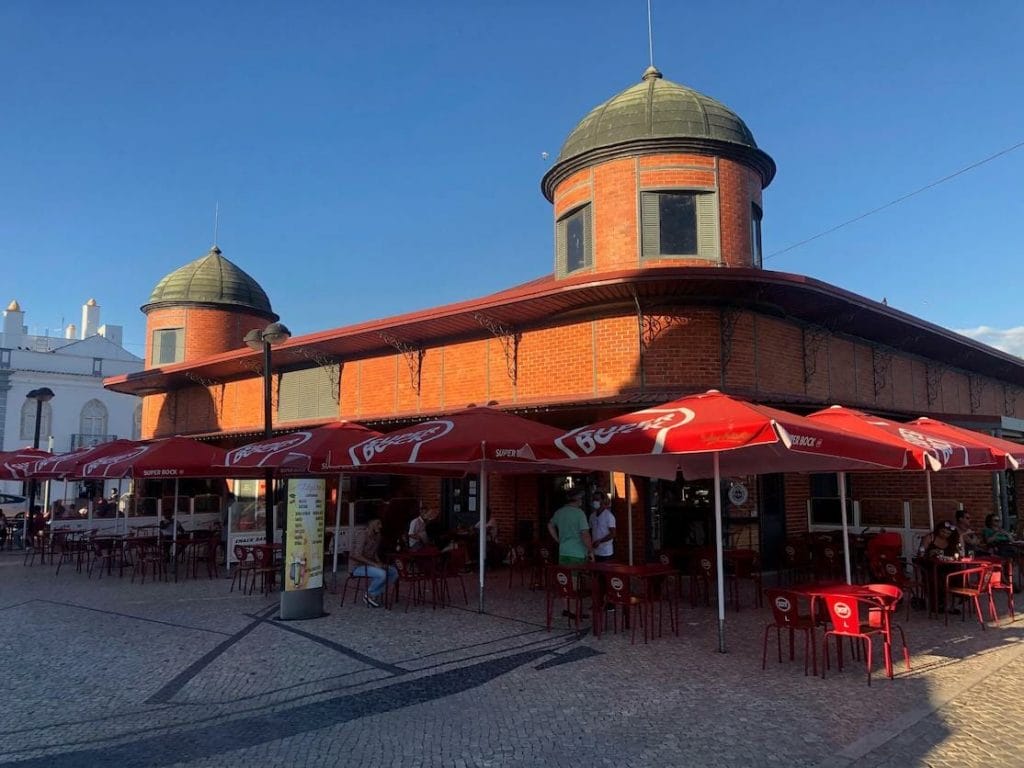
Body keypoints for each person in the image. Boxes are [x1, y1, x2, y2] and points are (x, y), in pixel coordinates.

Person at [350, 516, 398, 607]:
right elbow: (357, 555)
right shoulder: (362, 534)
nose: (380, 526)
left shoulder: (377, 536)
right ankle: (370, 594)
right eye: (378, 524)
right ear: (371, 524)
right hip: (357, 566)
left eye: (380, 524)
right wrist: (374, 564)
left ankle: (373, 593)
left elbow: (374, 552)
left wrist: (379, 562)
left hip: (370, 564)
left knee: (393, 572)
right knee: (382, 574)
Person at [588, 492, 616, 563]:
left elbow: (613, 534)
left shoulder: (609, 516)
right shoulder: (592, 516)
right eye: (594, 499)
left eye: (597, 499)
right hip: (595, 551)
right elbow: (590, 531)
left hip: (606, 552)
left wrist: (600, 541)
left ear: (603, 500)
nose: (595, 501)